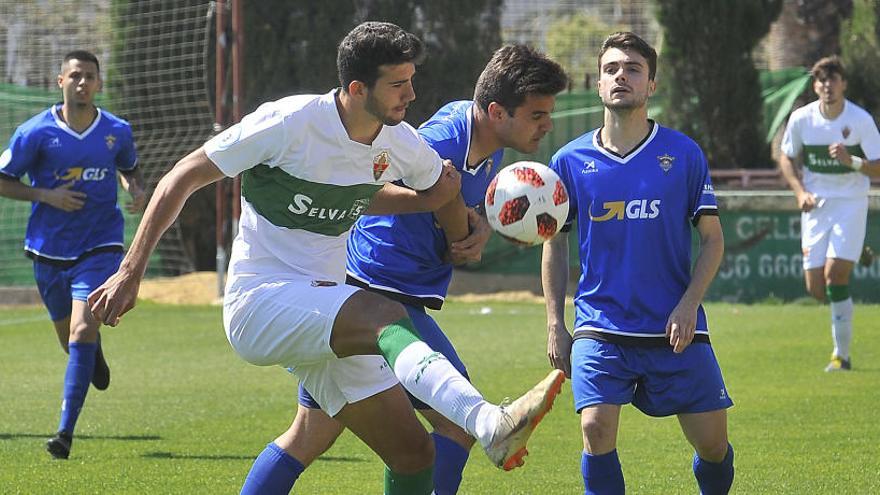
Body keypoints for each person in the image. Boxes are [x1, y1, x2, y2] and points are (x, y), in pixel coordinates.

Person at [87, 22, 563, 495]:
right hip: (261, 301)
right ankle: (490, 423)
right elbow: (184, 176)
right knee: (385, 319)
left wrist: (472, 223)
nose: (411, 95)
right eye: (398, 84)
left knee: (412, 452)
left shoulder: (399, 142)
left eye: (411, 80)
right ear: (357, 88)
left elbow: (441, 188)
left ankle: (485, 425)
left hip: (326, 303)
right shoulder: (288, 123)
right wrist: (131, 272)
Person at [241, 44, 569, 495]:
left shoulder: (485, 143)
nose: (546, 125)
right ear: (497, 111)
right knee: (457, 426)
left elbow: (460, 200)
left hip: (374, 289)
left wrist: (480, 229)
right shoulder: (445, 137)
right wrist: (456, 227)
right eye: (537, 115)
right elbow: (403, 182)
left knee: (308, 435)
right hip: (377, 290)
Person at [542, 32, 734, 494]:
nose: (620, 76)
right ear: (599, 86)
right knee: (595, 429)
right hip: (600, 323)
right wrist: (554, 321)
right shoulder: (569, 161)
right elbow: (554, 243)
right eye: (611, 69)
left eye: (632, 68)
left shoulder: (684, 155)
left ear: (651, 85)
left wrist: (689, 304)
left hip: (673, 325)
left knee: (712, 446)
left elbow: (712, 241)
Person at [0, 50, 145, 459]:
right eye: (76, 76)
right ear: (60, 80)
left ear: (99, 84)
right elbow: (3, 180)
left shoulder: (117, 131)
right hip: (48, 251)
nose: (83, 83)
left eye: (90, 77)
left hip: (100, 246)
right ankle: (91, 354)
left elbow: (129, 167)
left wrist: (135, 188)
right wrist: (44, 194)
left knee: (82, 330)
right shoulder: (34, 133)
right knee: (71, 339)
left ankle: (64, 434)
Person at [779, 55, 880, 372]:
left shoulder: (860, 120)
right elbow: (786, 157)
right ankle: (857, 250)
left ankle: (841, 355)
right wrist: (800, 192)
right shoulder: (802, 119)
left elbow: (878, 166)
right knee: (817, 289)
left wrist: (851, 161)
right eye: (821, 80)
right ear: (815, 86)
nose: (827, 85)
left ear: (843, 84)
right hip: (816, 207)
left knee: (836, 275)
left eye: (833, 79)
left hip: (850, 203)